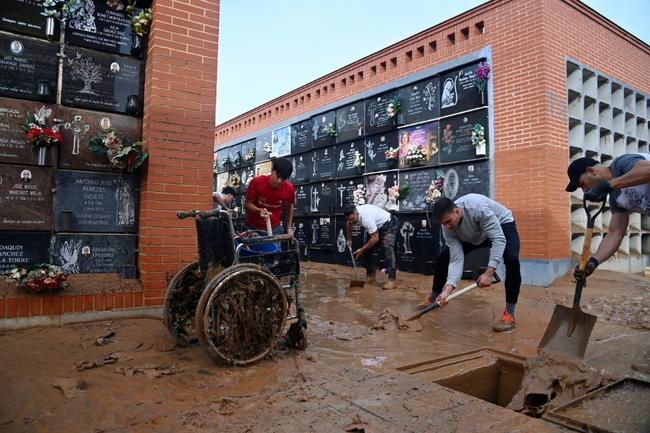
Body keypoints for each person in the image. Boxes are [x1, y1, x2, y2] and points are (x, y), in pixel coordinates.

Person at [421, 194, 521, 332]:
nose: (447, 227)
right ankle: (434, 298)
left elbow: (498, 239)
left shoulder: (477, 207)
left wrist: (489, 273)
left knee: (512, 258)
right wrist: (447, 290)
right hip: (474, 235)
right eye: (443, 224)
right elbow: (456, 259)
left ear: (458, 211)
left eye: (448, 221)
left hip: (501, 225)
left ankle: (509, 314)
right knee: (444, 256)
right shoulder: (448, 227)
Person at [565, 155, 650, 279]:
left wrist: (608, 185)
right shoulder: (616, 198)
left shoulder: (621, 164)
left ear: (591, 171)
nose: (584, 191)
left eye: (582, 184)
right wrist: (593, 262)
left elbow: (648, 170)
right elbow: (615, 233)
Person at [344, 204, 399, 290]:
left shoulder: (366, 218)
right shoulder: (352, 218)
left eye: (352, 219)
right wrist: (349, 239)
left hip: (389, 224)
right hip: (376, 226)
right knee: (367, 250)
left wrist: (362, 249)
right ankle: (371, 276)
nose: (351, 222)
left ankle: (392, 280)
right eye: (349, 219)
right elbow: (348, 224)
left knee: (387, 249)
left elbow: (375, 238)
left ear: (357, 213)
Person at [244, 157, 295, 235]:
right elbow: (247, 204)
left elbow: (290, 206)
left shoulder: (289, 188)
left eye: (283, 179)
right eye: (278, 176)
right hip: (253, 227)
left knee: (274, 247)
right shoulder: (257, 182)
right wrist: (259, 210)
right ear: (272, 170)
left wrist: (289, 227)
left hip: (274, 228)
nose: (279, 181)